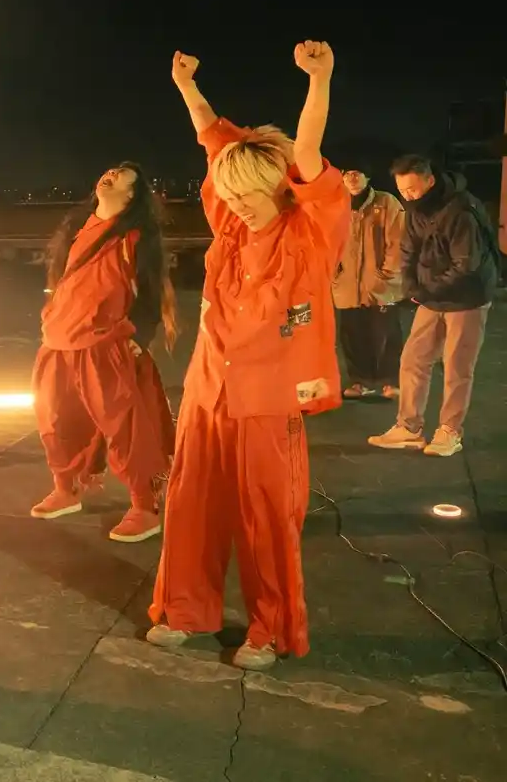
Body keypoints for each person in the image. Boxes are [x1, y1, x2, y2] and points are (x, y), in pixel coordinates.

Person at [147, 43, 350, 671]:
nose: (234, 205)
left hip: (269, 394)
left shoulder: (311, 231)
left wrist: (319, 81)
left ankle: (269, 628)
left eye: (247, 195)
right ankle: (185, 609)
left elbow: (308, 150)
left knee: (266, 514)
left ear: (278, 187)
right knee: (191, 503)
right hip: (210, 386)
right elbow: (213, 139)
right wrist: (187, 86)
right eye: (228, 195)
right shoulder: (232, 226)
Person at [29, 163, 178, 543]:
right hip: (59, 342)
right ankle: (66, 489)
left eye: (122, 174)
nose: (111, 173)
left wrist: (140, 334)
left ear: (132, 195)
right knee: (55, 420)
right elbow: (62, 282)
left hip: (104, 344)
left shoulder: (135, 238)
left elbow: (150, 291)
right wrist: (52, 316)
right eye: (110, 169)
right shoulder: (76, 229)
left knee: (126, 429)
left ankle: (145, 506)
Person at [367, 155, 496, 457]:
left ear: (430, 180)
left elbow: (466, 265)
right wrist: (412, 286)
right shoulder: (415, 210)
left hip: (467, 298)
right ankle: (409, 428)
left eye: (412, 189)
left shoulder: (461, 211)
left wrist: (426, 290)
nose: (408, 196)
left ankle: (450, 431)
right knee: (413, 359)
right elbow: (408, 249)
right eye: (402, 190)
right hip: (431, 296)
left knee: (457, 366)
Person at [332, 166, 406, 399]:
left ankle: (390, 381)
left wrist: (386, 275)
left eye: (358, 173)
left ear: (368, 176)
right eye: (347, 173)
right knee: (352, 335)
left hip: (382, 285)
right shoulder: (334, 205)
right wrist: (333, 273)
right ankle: (360, 381)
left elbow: (398, 241)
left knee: (386, 334)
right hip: (346, 284)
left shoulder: (386, 202)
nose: (352, 178)